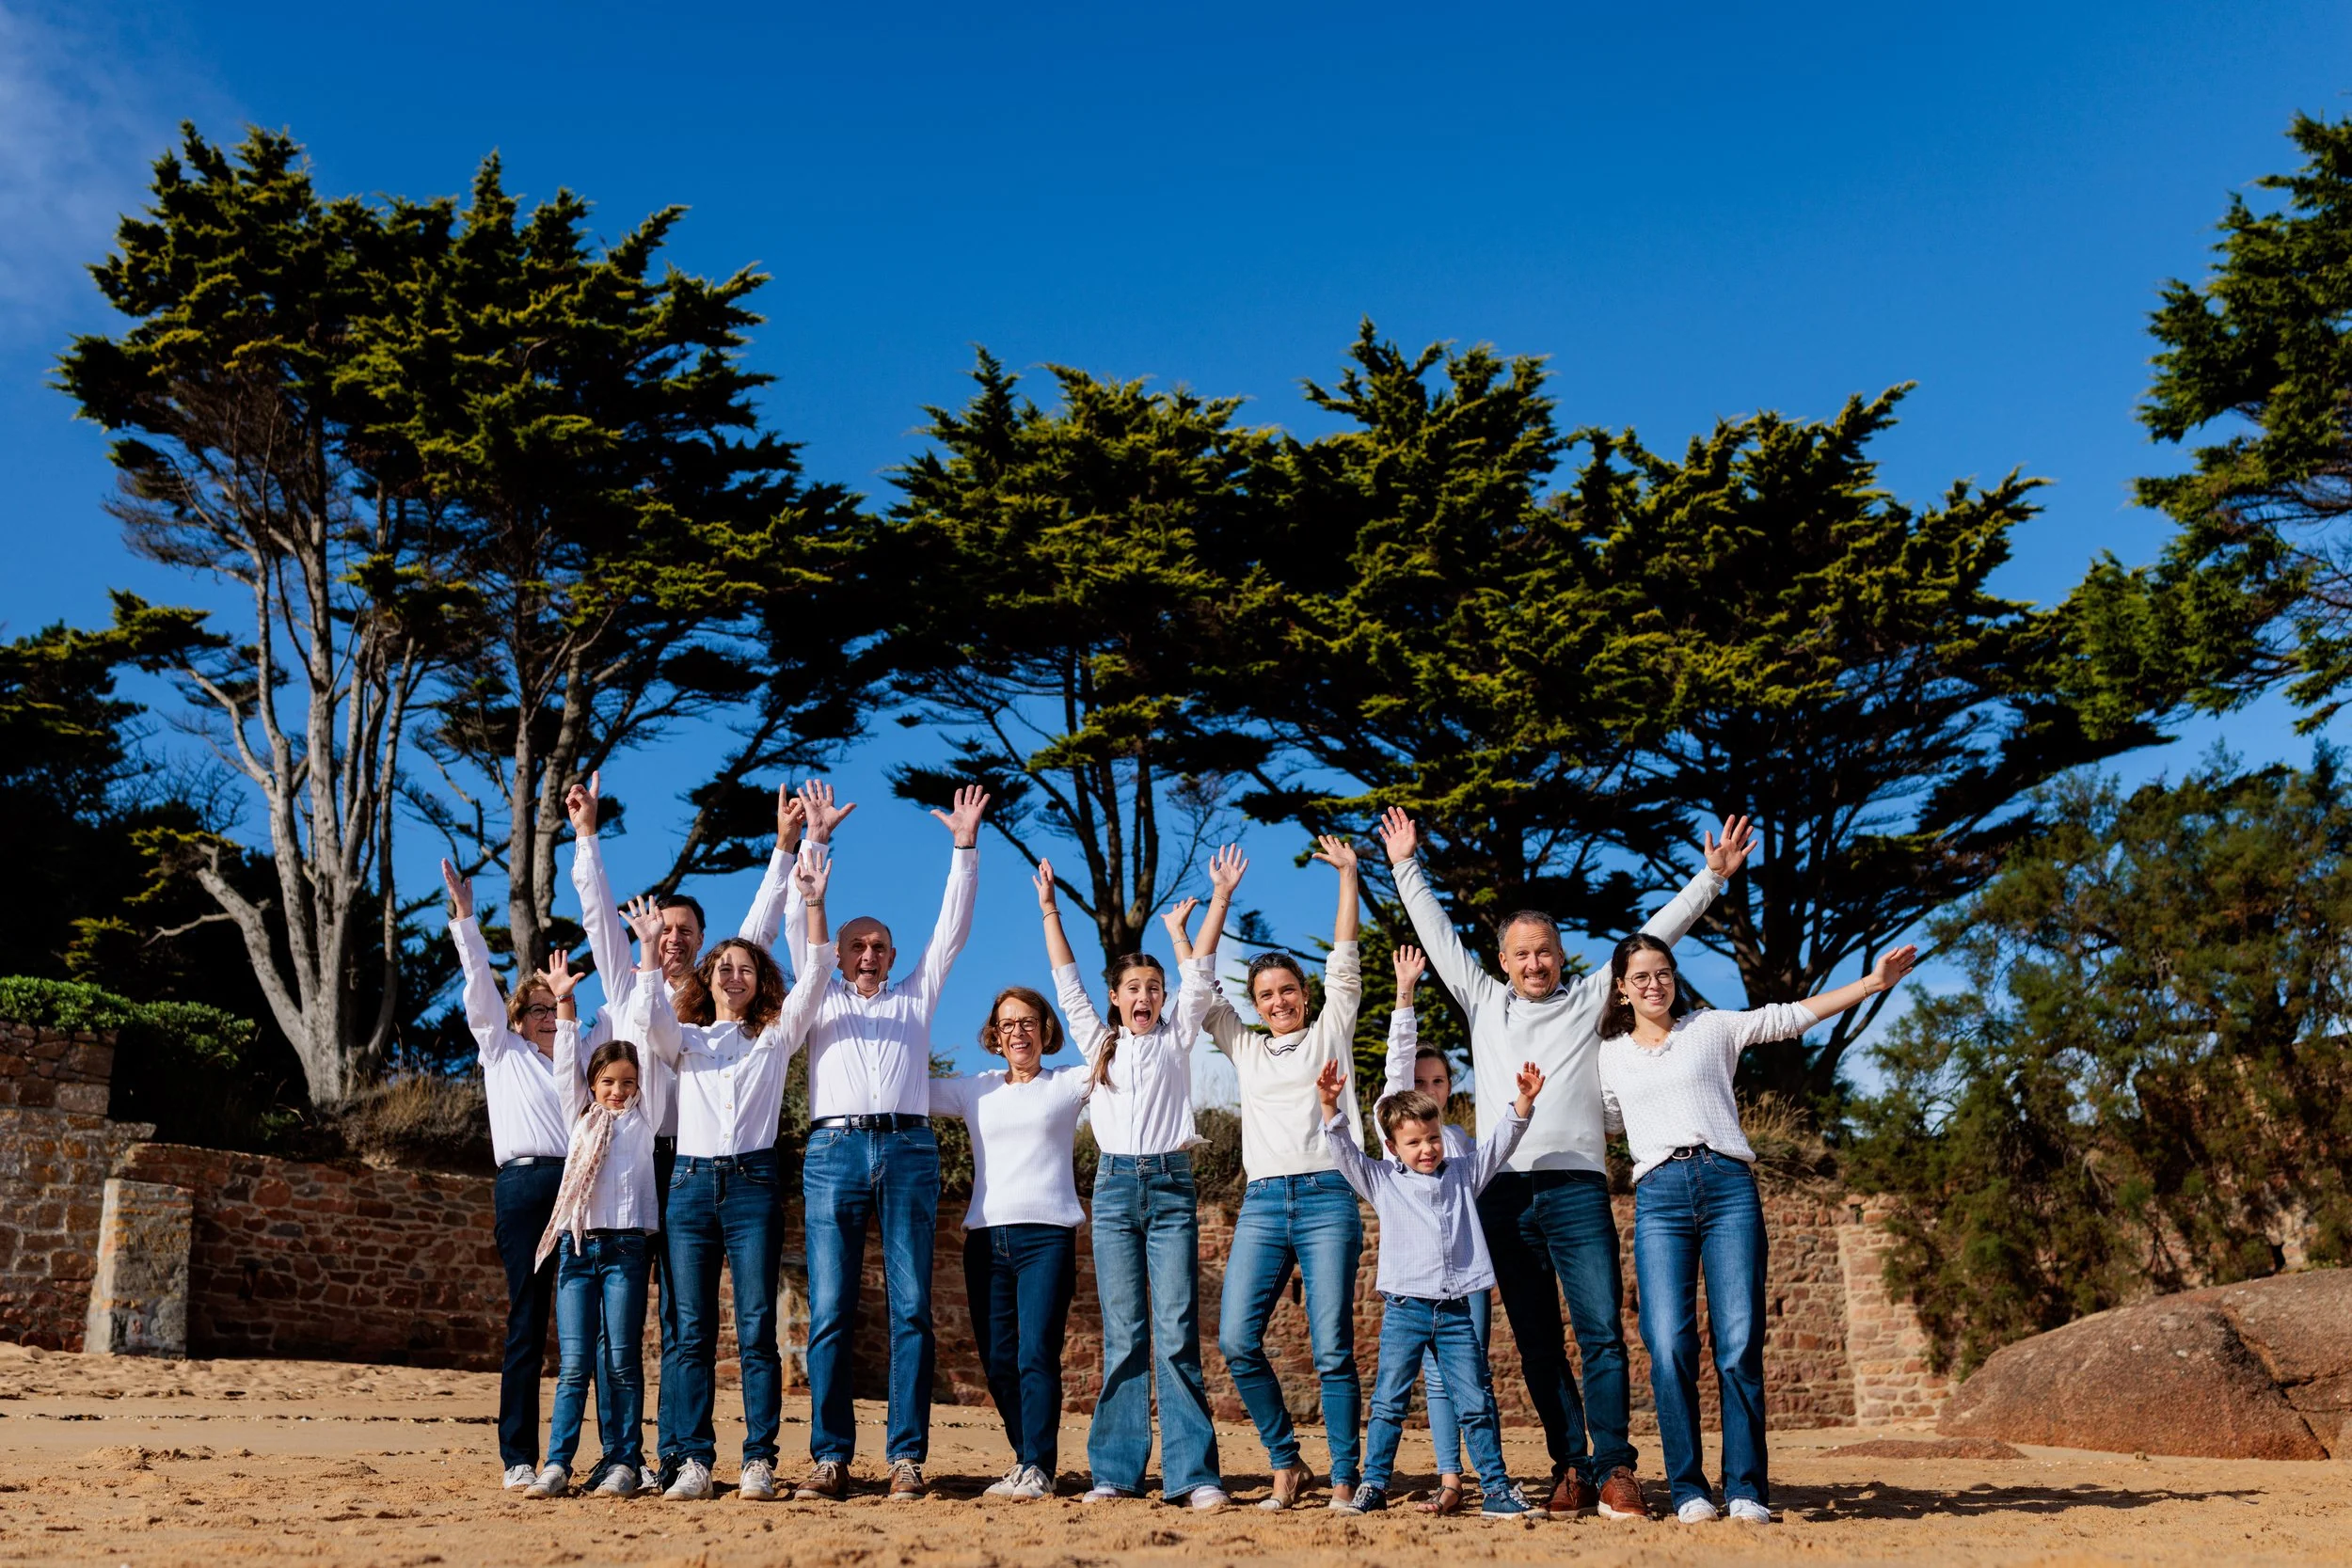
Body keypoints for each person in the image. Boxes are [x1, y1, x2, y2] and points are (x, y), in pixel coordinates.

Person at [1377, 805, 1756, 1521]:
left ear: (1562, 953)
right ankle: (1570, 1467)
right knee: (1538, 1344)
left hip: (1578, 1189)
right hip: (1502, 1194)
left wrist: (1711, 878)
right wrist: (1405, 865)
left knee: (1601, 1333)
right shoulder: (1483, 1001)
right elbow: (1435, 932)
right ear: (1502, 962)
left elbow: (1659, 931)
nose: (1534, 962)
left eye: (1545, 949)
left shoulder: (1588, 1000)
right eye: (1520, 952)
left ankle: (1615, 1468)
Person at [1598, 933, 1917, 1526]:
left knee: (1740, 1344)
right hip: (1660, 1198)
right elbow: (1599, 1122)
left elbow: (1791, 1018)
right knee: (1667, 1344)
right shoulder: (1608, 1057)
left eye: (1662, 973)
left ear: (1674, 978)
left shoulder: (1712, 1027)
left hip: (1728, 1189)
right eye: (1640, 977)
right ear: (1621, 988)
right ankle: (1689, 1489)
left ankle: (1745, 1488)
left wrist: (1874, 983)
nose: (1653, 985)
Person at [567, 771, 813, 1492]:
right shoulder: (627, 985)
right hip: (638, 1163)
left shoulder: (723, 1009)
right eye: (662, 929)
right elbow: (592, 915)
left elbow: (763, 928)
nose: (671, 939)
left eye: (685, 932)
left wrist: (784, 848)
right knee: (635, 1323)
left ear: (703, 944)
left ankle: (683, 1454)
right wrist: (585, 835)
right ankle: (632, 1455)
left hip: (712, 1158)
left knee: (686, 1319)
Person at [794, 785, 990, 1505]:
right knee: (831, 1310)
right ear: (840, 953)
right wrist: (815, 842)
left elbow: (953, 928)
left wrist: (963, 848)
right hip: (833, 1153)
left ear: (893, 954)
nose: (869, 953)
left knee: (911, 1307)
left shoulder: (917, 993)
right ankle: (830, 1458)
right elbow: (801, 924)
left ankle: (906, 1458)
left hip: (909, 1152)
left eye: (879, 945)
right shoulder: (819, 997)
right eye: (857, 945)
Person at [625, 844, 836, 1502]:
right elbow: (646, 1018)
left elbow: (817, 975)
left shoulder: (774, 1035)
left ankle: (757, 1460)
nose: (734, 975)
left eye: (745, 968)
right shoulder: (686, 1038)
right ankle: (692, 1460)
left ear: (758, 979)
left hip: (751, 1186)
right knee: (689, 1331)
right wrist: (646, 949)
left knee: (754, 1329)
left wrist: (812, 900)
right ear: (708, 976)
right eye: (724, 966)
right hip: (687, 1187)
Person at [1038, 858, 1228, 1510]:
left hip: (1173, 1189)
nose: (1144, 996)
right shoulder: (1099, 1043)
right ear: (1116, 996)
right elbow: (1066, 983)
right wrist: (1049, 910)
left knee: (1174, 1330)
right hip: (1115, 1191)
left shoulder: (1178, 1038)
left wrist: (1220, 899)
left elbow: (1199, 975)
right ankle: (1116, 1472)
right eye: (1133, 988)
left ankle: (1193, 1475)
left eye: (1153, 986)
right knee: (1123, 1333)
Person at [1189, 840, 1366, 1511]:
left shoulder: (1331, 1031)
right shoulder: (1244, 1045)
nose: (1279, 1000)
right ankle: (1287, 1462)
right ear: (1256, 1003)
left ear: (1303, 992)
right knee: (1236, 1338)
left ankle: (1344, 1476)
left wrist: (1349, 875)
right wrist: (1221, 900)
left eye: (1288, 989)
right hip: (1262, 1203)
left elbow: (1345, 962)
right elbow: (1199, 986)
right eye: (1266, 994)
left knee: (1331, 1349)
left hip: (1326, 1196)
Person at [1316, 1055, 1543, 1518]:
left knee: (1475, 1400)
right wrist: (1328, 1106)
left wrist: (1523, 1100)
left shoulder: (1464, 1176)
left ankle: (1497, 1489)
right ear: (1393, 1146)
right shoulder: (1380, 1181)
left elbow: (1500, 1142)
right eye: (1414, 1142)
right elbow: (1343, 1152)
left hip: (1457, 1310)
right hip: (1406, 1309)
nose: (1427, 1149)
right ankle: (1374, 1485)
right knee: (1388, 1403)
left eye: (1434, 1138)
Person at [443, 860, 594, 1494]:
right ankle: (518, 1457)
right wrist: (466, 918)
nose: (542, 1016)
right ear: (514, 1015)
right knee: (528, 1321)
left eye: (550, 1006)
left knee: (590, 1324)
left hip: (581, 1186)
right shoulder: (499, 1051)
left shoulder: (581, 1058)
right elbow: (478, 983)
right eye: (531, 1007)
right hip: (525, 1185)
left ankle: (605, 1455)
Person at [519, 900, 672, 1499]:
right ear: (592, 1084)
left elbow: (648, 1039)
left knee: (622, 1362)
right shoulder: (578, 1114)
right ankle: (556, 1463)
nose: (618, 1091)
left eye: (627, 1083)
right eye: (609, 1082)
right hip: (579, 1252)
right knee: (576, 1364)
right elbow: (563, 1061)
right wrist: (563, 1003)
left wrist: (649, 954)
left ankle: (622, 1463)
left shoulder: (645, 1117)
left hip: (628, 1251)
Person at [928, 986, 1093, 1500]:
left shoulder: (1069, 1083)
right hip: (985, 1242)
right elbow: (904, 1082)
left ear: (1046, 1030)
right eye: (1007, 1024)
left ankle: (1040, 1466)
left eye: (1028, 1022)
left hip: (1048, 1238)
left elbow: (1122, 1056)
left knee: (1036, 1354)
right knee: (998, 1360)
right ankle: (1026, 1460)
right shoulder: (973, 1090)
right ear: (994, 1036)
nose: (1018, 1031)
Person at [1379, 943, 1489, 1516]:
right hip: (1418, 1282)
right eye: (1420, 1079)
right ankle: (1451, 1479)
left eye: (1440, 1079)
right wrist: (1405, 997)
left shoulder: (1465, 1146)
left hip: (1468, 1274)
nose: (1430, 1086)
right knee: (1434, 1380)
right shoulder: (1402, 1150)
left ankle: (1477, 1479)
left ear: (1450, 1086)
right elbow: (1396, 1073)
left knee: (1470, 1378)